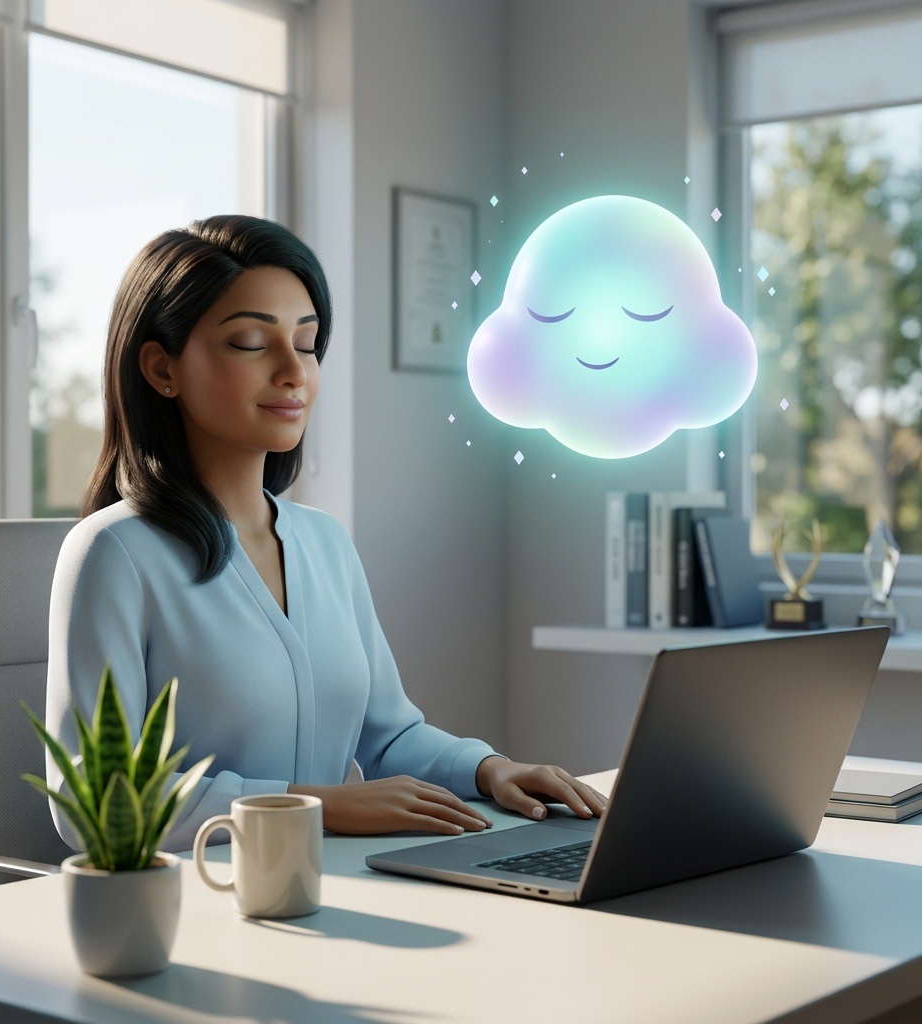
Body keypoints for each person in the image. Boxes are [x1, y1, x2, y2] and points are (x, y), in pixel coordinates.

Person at [46, 215, 606, 852]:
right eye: (252, 343)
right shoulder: (115, 553)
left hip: (347, 886)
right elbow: (92, 799)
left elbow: (388, 736)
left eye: (307, 343)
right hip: (207, 905)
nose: (294, 372)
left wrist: (490, 769)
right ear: (160, 368)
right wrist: (314, 805)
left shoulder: (325, 543)